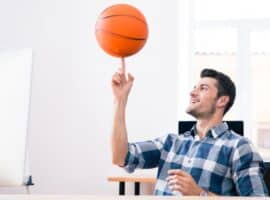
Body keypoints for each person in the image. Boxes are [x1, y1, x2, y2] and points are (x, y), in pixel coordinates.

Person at [110, 67, 268, 196]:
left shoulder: (239, 147)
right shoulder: (171, 142)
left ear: (222, 100)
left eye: (203, 88)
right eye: (194, 88)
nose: (192, 93)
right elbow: (120, 157)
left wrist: (200, 195)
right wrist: (120, 100)